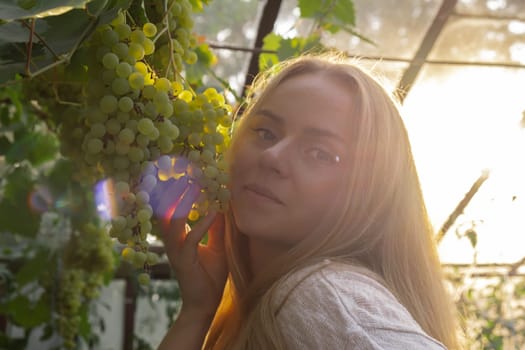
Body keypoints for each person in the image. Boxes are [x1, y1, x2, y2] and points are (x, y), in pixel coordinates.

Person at [157, 53, 462, 349]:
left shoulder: (319, 294)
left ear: (367, 195)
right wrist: (197, 311)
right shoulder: (278, 300)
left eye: (320, 153)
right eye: (265, 132)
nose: (272, 156)